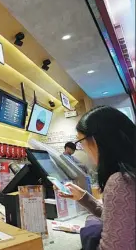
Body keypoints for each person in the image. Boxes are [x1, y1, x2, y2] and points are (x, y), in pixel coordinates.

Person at [58, 106, 136, 250]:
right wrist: (84, 197)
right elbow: (120, 220)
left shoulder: (121, 181)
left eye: (80, 142)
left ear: (94, 139)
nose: (83, 149)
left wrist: (91, 227)